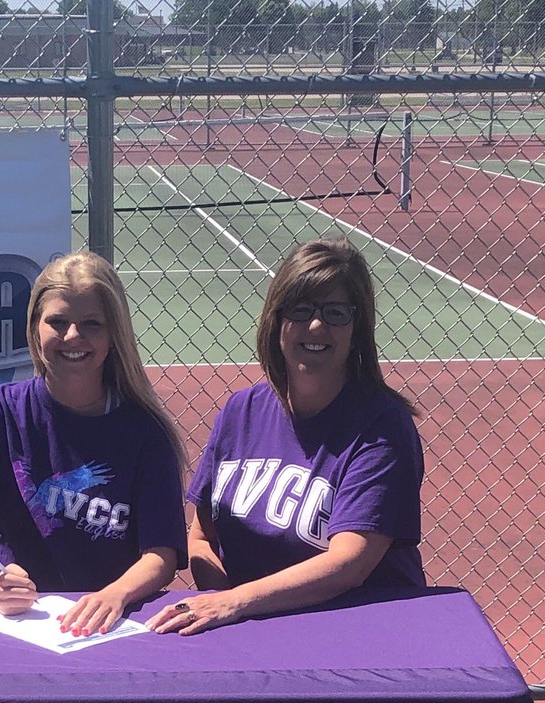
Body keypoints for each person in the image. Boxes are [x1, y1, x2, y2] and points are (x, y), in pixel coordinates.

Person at [147, 238, 424, 637]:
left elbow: (348, 564)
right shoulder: (240, 412)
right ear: (276, 320)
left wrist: (236, 603)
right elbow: (201, 536)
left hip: (356, 636)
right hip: (253, 628)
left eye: (335, 313)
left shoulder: (381, 427)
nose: (316, 326)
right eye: (301, 309)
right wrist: (227, 606)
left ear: (356, 327)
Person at [0, 251, 187, 636]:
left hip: (112, 626)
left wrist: (114, 595)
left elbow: (161, 556)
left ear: (113, 335)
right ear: (35, 327)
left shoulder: (145, 433)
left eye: (91, 324)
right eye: (57, 322)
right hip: (23, 624)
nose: (73, 336)